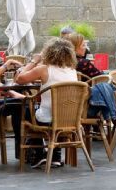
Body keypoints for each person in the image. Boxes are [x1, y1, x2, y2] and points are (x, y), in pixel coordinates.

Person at [15, 38, 77, 168]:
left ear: (49, 53)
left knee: (27, 110)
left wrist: (34, 61)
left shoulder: (44, 69)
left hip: (47, 120)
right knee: (50, 109)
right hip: (69, 119)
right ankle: (55, 154)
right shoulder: (72, 71)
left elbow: (19, 79)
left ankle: (38, 154)